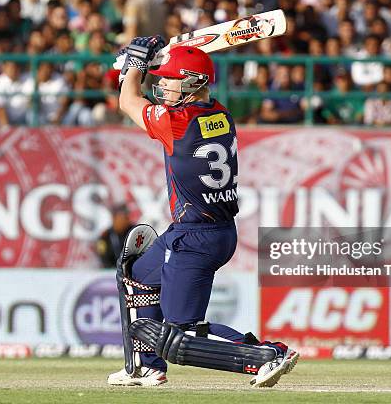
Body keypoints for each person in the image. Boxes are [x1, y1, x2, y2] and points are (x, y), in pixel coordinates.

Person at [108, 37, 298, 387]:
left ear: (193, 84)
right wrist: (142, 66)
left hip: (197, 237)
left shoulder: (175, 122)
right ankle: (145, 365)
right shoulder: (220, 113)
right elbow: (157, 97)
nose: (161, 84)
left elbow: (127, 100)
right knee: (136, 273)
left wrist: (133, 66)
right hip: (206, 232)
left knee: (182, 335)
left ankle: (266, 354)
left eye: (168, 78)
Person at [96, 204, 134, 269]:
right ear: (114, 218)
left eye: (126, 217)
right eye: (121, 216)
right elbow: (102, 255)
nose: (124, 220)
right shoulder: (105, 236)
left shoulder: (135, 231)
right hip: (112, 270)